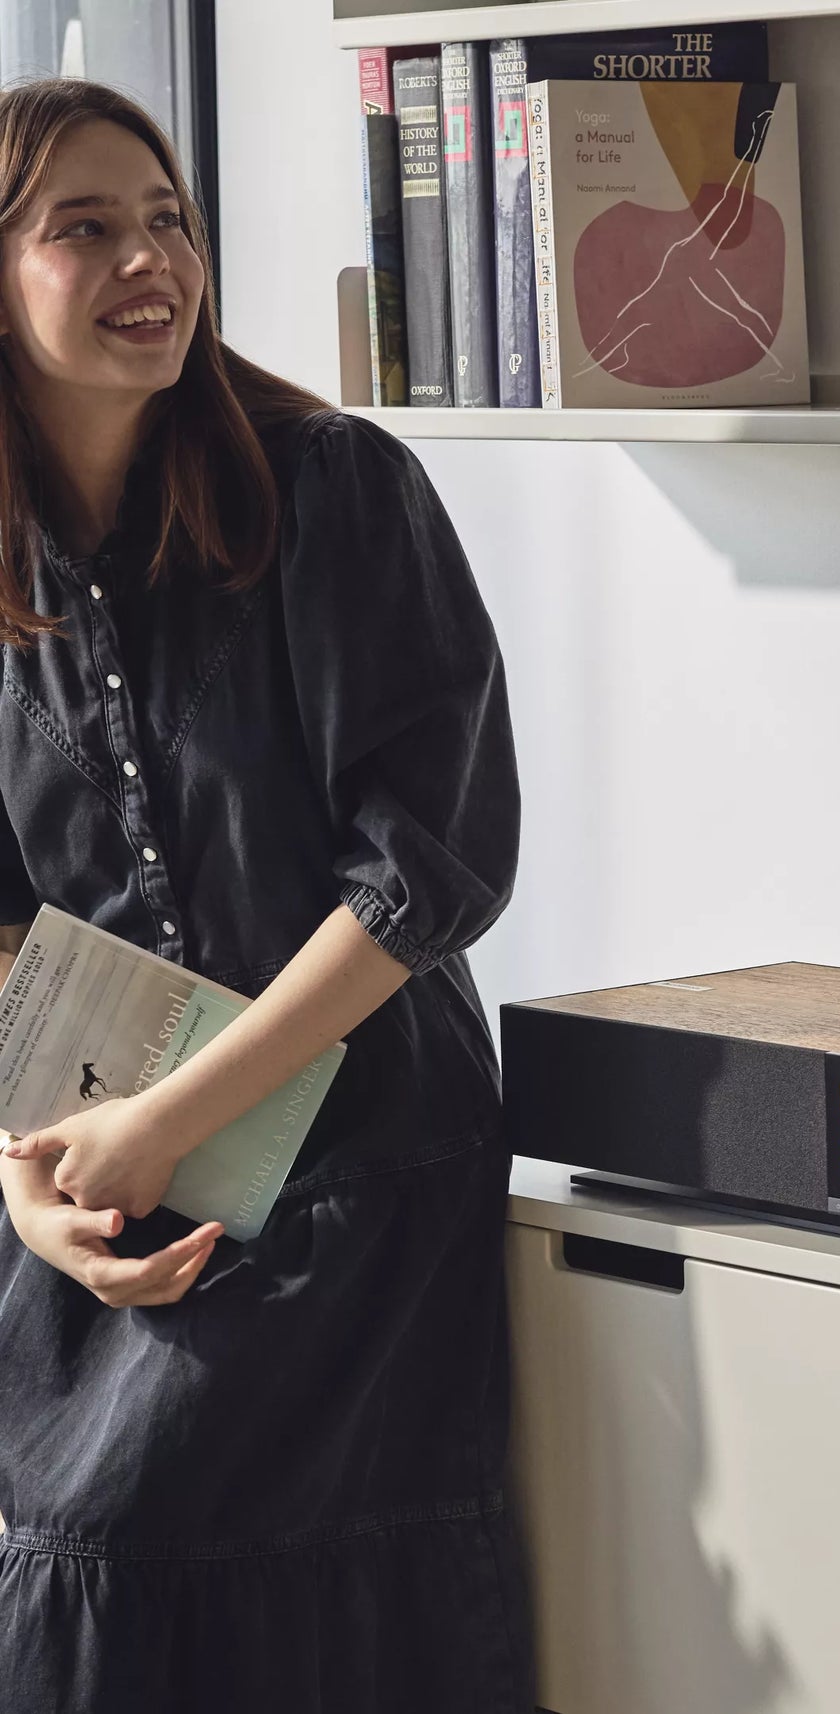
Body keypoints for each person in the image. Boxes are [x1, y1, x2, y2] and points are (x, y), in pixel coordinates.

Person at [0, 79, 533, 1712]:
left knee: (141, 1548)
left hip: (357, 1189)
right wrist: (26, 1186)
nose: (148, 259)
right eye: (83, 227)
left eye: (165, 219)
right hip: (96, 1181)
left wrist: (176, 1119)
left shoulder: (337, 492)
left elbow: (430, 868)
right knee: (65, 1561)